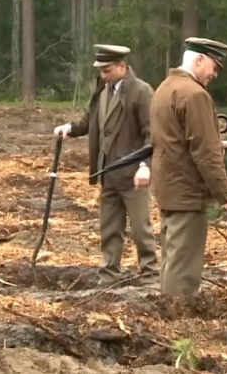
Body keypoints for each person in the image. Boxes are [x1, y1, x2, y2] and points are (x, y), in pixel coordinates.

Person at [54, 44, 159, 287]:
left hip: (133, 174)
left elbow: (151, 133)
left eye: (107, 70)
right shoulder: (102, 90)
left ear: (122, 67)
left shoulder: (141, 92)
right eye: (101, 70)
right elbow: (89, 120)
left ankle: (151, 275)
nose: (103, 75)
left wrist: (145, 165)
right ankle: (109, 276)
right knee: (109, 229)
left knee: (141, 229)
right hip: (108, 173)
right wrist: (70, 128)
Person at [149, 37, 227, 297]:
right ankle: (179, 324)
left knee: (171, 260)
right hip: (187, 193)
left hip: (169, 189)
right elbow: (205, 154)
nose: (215, 74)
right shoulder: (195, 94)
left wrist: (217, 143)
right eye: (214, 66)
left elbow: (174, 139)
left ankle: (169, 314)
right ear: (199, 59)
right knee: (183, 269)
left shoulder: (166, 88)